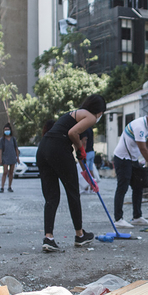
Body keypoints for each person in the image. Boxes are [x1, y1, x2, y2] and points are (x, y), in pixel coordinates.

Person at [37, 95, 105, 252]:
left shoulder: (73, 114)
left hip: (43, 149)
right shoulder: (90, 117)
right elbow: (72, 134)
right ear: (99, 110)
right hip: (58, 149)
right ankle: (79, 235)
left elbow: (78, 153)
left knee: (51, 196)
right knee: (73, 192)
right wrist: (80, 147)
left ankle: (49, 238)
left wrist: (88, 176)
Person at [112, 107, 148, 229]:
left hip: (133, 159)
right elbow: (143, 149)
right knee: (122, 187)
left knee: (138, 187)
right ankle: (118, 219)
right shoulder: (139, 126)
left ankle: (137, 217)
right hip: (122, 158)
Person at [0, 123, 20, 193]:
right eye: (5, 130)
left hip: (12, 157)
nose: (7, 131)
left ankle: (9, 186)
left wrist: (17, 158)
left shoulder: (13, 139)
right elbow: (1, 150)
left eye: (8, 129)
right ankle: (2, 187)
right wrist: (0, 159)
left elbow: (16, 148)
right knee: (5, 172)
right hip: (5, 157)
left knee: (11, 172)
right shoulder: (2, 140)